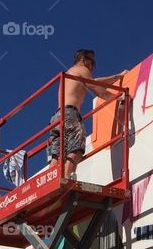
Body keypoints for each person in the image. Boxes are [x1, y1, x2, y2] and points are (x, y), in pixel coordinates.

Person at [48, 49, 126, 179]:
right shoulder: (83, 70)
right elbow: (99, 91)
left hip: (57, 117)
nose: (93, 65)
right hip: (70, 114)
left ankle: (50, 183)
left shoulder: (71, 73)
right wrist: (120, 97)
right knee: (76, 150)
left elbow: (96, 82)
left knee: (57, 156)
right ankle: (65, 180)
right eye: (92, 61)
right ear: (83, 60)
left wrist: (117, 77)